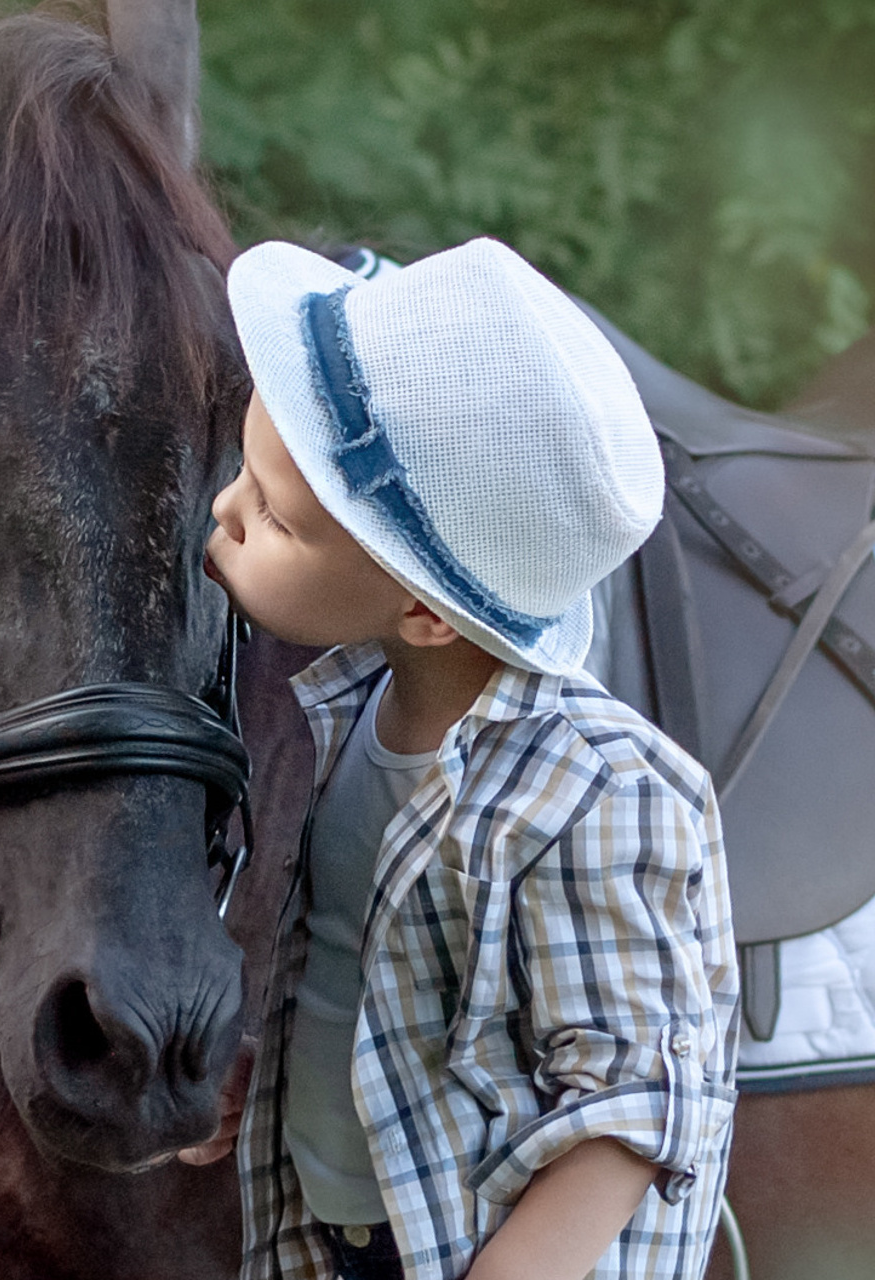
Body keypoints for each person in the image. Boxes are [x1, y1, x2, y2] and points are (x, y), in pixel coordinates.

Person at [179, 238, 740, 1280]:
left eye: (273, 515)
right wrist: (261, 1070)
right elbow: (360, 967)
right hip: (337, 1233)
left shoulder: (594, 792)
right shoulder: (344, 720)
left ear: (422, 612)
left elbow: (630, 1105)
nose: (222, 513)